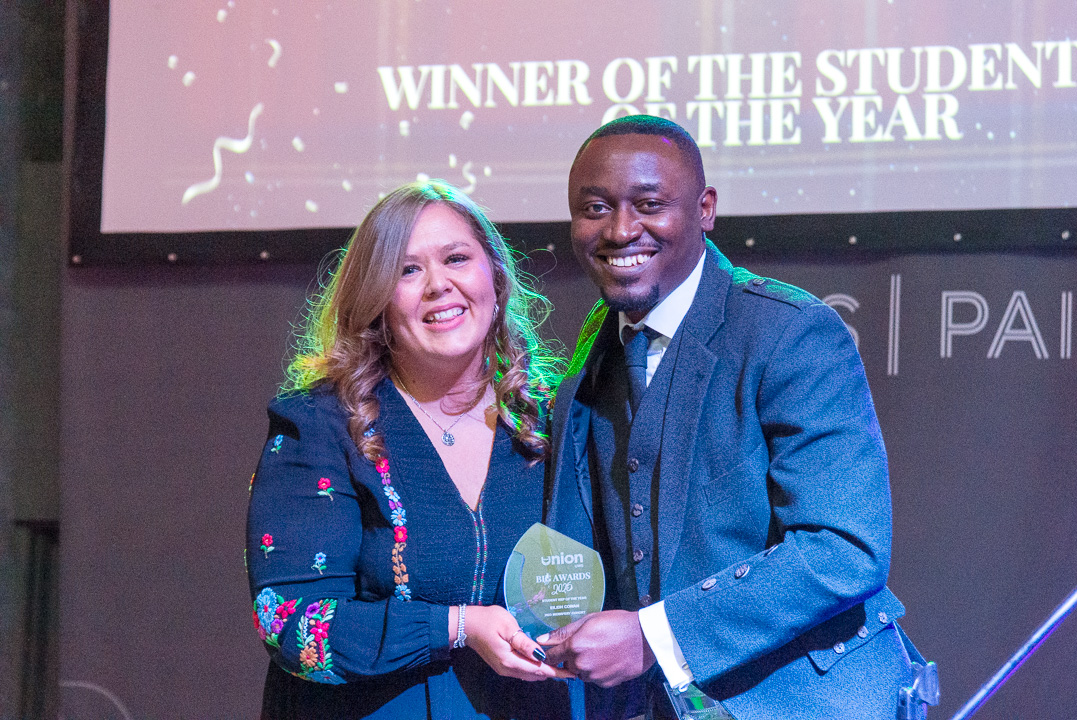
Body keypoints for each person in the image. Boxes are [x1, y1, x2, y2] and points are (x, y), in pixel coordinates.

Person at [540, 116, 934, 720]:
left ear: (705, 210)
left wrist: (653, 637)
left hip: (808, 701)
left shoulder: (790, 332)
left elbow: (843, 548)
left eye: (650, 204)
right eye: (595, 208)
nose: (620, 230)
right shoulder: (598, 344)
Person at [246, 180, 580, 719]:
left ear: (494, 278)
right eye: (407, 270)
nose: (438, 285)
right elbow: (288, 619)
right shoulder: (320, 423)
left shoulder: (556, 419)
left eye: (456, 258)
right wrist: (455, 627)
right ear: (376, 300)